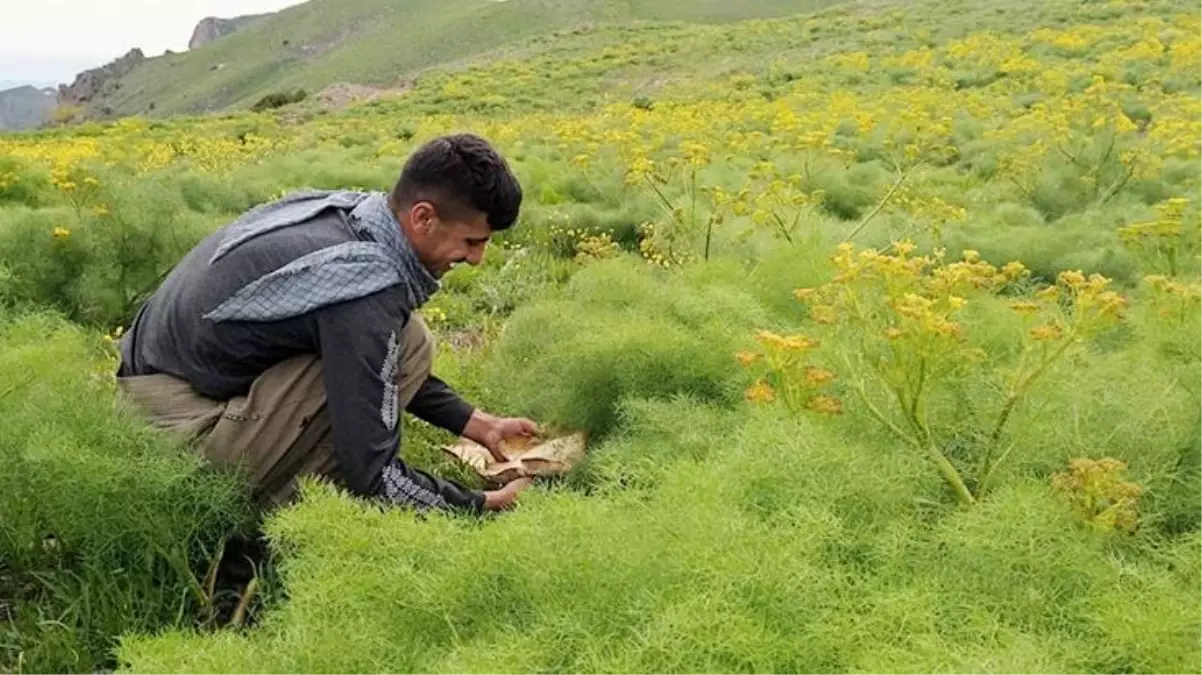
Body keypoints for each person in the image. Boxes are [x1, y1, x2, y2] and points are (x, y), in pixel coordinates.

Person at [114, 133, 537, 514]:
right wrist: (481, 504)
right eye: (472, 241)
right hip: (168, 433)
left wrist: (477, 424)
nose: (477, 259)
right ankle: (265, 509)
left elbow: (373, 360)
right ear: (423, 217)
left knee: (403, 340)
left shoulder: (354, 215)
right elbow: (373, 478)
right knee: (408, 347)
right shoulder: (363, 286)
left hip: (151, 384)